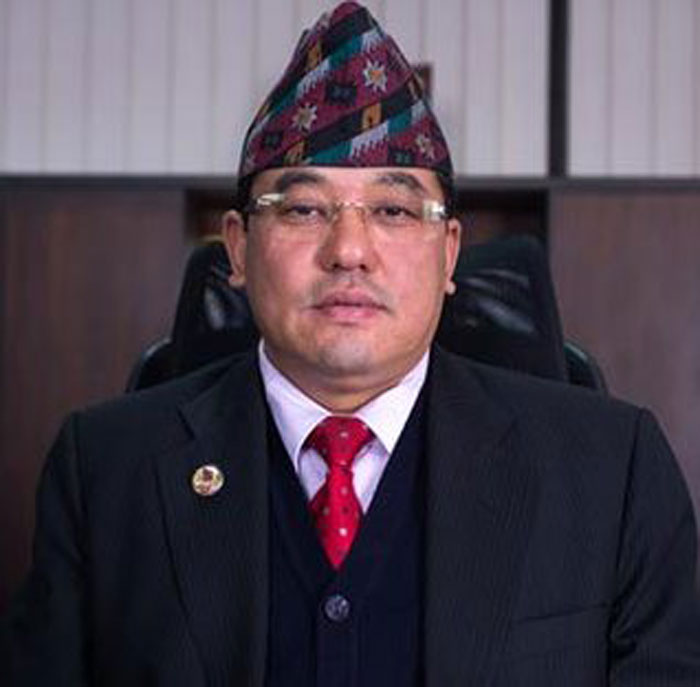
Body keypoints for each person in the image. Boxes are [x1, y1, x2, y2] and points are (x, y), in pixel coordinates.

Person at [3, 2, 700, 684]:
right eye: (304, 209)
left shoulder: (614, 471)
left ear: (449, 252)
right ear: (238, 248)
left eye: (393, 210)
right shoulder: (104, 471)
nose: (349, 250)